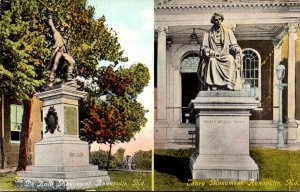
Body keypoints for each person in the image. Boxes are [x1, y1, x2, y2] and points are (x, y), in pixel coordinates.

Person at [198, 12, 242, 91]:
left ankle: (229, 83)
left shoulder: (228, 31)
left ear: (222, 20)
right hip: (213, 55)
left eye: (219, 20)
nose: (218, 22)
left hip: (225, 54)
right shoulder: (207, 34)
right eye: (216, 20)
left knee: (230, 59)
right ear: (213, 21)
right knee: (212, 61)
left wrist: (235, 49)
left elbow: (233, 44)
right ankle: (214, 84)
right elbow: (204, 48)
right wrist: (211, 52)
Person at [47, 11, 75, 86]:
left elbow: (68, 47)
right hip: (58, 52)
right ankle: (50, 80)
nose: (62, 28)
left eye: (64, 27)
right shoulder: (56, 32)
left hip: (64, 53)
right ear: (59, 27)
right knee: (55, 65)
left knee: (72, 62)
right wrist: (50, 15)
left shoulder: (66, 37)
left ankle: (69, 76)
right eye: (62, 26)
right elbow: (51, 24)